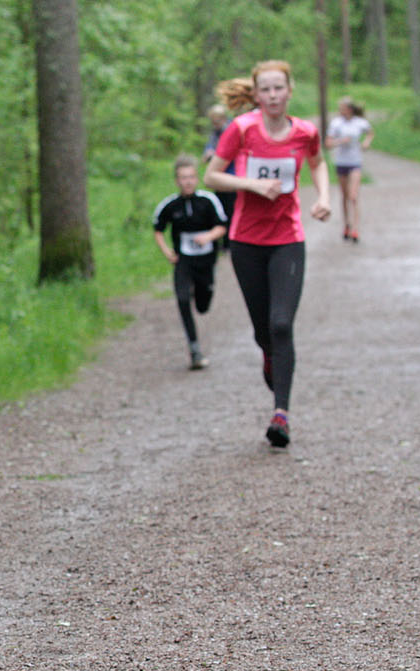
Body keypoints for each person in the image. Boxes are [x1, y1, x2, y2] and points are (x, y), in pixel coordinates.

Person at [204, 60, 331, 448]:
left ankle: (281, 415)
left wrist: (324, 197)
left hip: (287, 239)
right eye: (266, 89)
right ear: (256, 94)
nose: (273, 96)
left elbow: (318, 163)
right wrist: (251, 185)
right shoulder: (242, 129)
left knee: (281, 324)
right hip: (246, 242)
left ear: (290, 91)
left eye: (279, 88)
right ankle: (270, 356)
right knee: (264, 332)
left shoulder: (305, 132)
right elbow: (212, 176)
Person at [153, 155, 229, 370]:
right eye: (183, 178)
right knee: (182, 299)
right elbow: (158, 230)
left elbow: (222, 227)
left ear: (197, 179)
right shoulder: (170, 205)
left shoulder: (208, 201)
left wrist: (208, 237)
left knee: (203, 305)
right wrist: (167, 252)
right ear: (177, 181)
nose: (187, 182)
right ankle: (194, 349)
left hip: (206, 261)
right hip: (183, 261)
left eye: (191, 177)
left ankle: (201, 293)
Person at [325, 96, 374, 242]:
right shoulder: (336, 123)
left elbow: (370, 132)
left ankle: (355, 228)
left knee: (353, 196)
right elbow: (328, 144)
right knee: (345, 196)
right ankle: (347, 224)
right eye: (340, 108)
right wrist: (340, 141)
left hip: (355, 162)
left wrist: (366, 142)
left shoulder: (360, 122)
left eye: (343, 108)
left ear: (350, 109)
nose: (340, 111)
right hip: (341, 162)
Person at [202, 104, 237, 246]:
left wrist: (215, 154)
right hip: (218, 180)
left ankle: (232, 241)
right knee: (221, 211)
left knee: (233, 211)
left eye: (217, 121)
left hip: (233, 178)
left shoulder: (232, 131)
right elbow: (206, 154)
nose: (215, 125)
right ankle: (225, 243)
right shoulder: (214, 135)